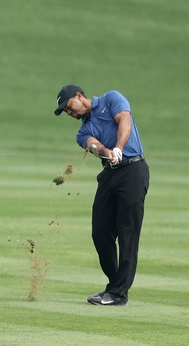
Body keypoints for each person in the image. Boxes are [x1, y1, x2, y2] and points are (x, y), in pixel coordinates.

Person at [54, 85, 149, 306]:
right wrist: (107, 152)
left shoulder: (111, 99)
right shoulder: (83, 131)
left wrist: (118, 148)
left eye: (68, 107)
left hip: (133, 170)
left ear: (79, 96)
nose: (69, 113)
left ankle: (118, 293)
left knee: (128, 232)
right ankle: (116, 285)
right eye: (65, 112)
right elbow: (93, 145)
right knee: (100, 233)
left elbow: (125, 120)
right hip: (110, 174)